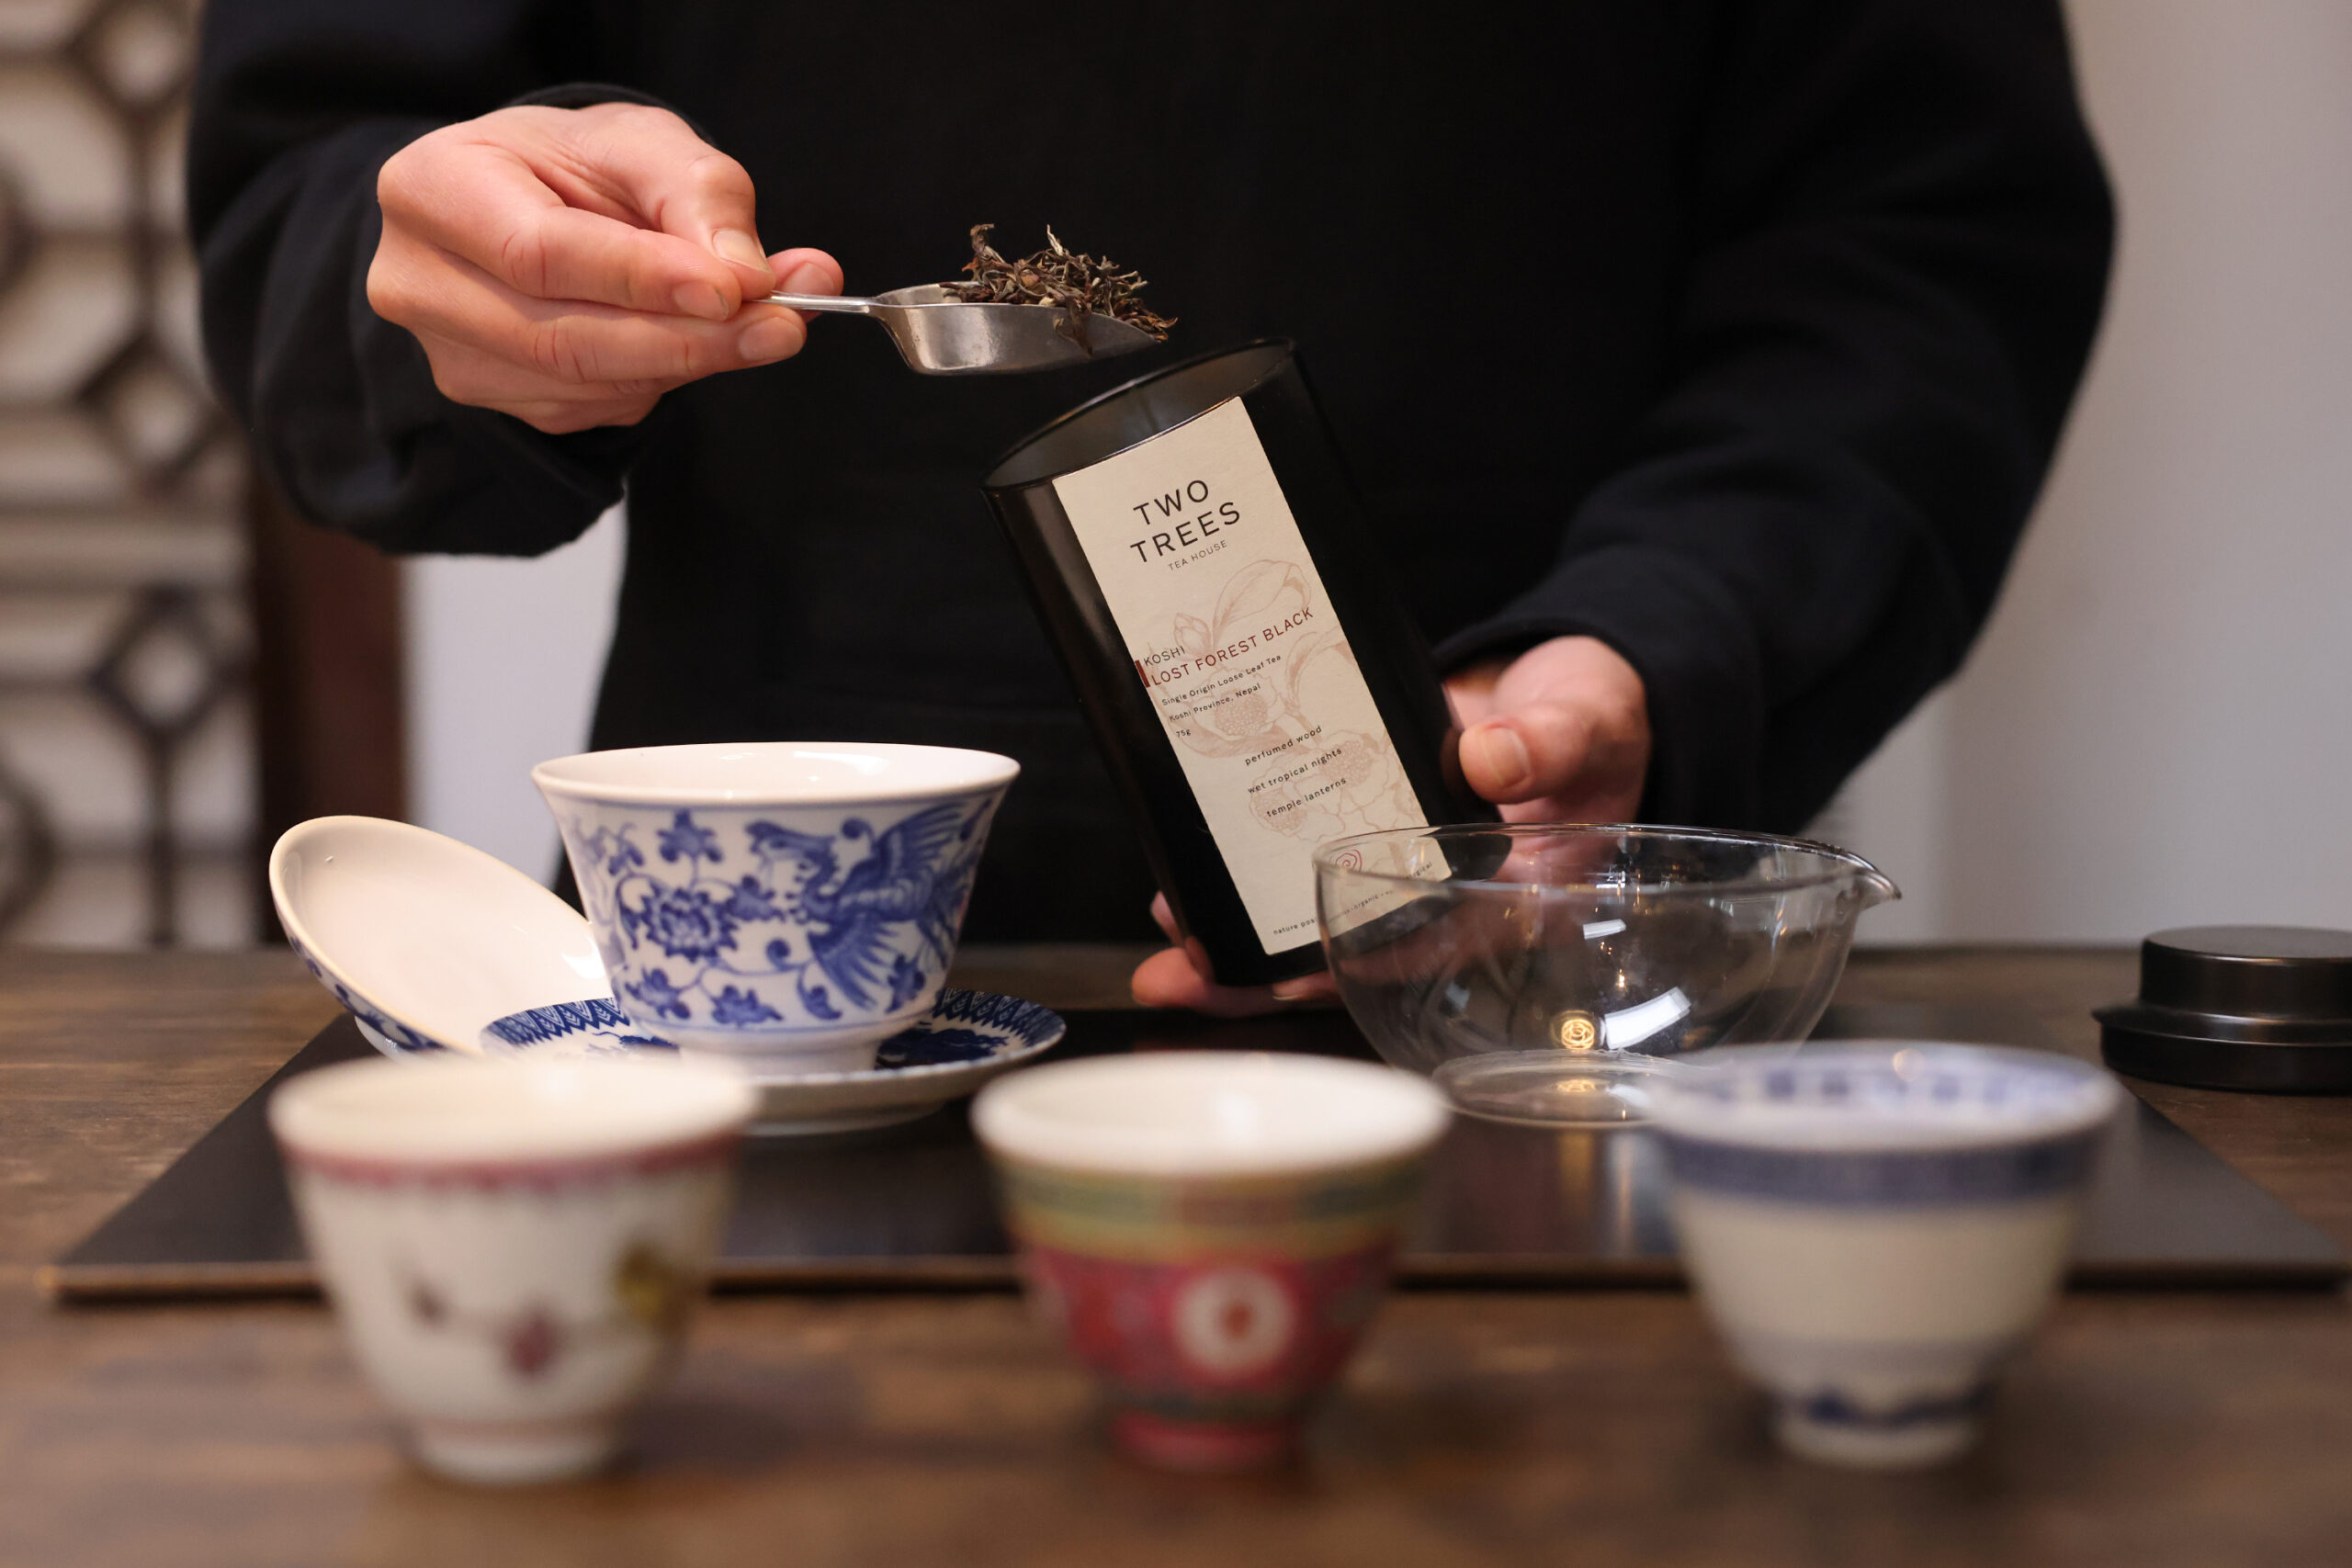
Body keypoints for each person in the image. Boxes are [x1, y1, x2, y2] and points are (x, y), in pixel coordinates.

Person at [189, 2, 2112, 1013]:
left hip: (1531, 949)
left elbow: (1917, 232)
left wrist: (1678, 624)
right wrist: (434, 268)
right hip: (758, 1004)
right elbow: (308, 188)